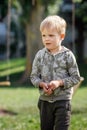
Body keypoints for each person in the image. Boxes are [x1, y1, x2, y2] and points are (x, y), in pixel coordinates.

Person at [30, 15, 80, 130]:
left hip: (63, 101)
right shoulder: (40, 55)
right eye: (44, 35)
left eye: (51, 35)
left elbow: (75, 78)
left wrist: (59, 83)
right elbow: (34, 77)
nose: (46, 39)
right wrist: (42, 84)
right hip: (44, 102)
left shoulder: (68, 55)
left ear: (61, 36)